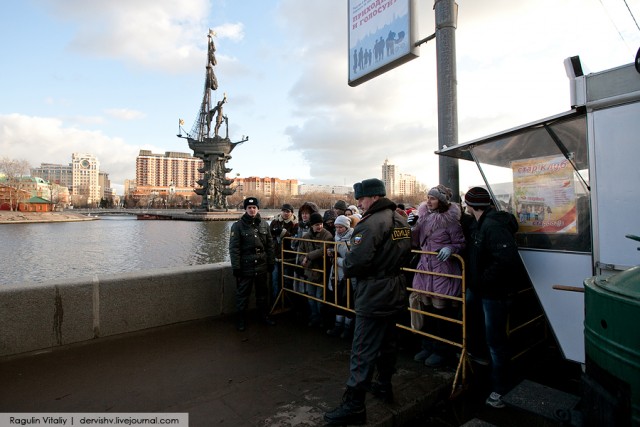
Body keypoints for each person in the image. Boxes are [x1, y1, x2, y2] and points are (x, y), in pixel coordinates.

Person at [324, 178, 411, 426]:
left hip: (374, 292)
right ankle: (384, 386)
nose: (359, 203)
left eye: (360, 199)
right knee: (388, 343)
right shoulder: (400, 219)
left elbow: (355, 262)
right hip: (395, 287)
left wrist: (350, 262)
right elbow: (406, 250)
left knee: (362, 348)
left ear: (372, 197)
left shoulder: (370, 224)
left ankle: (354, 405)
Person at [464, 186, 521, 409]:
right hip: (485, 290)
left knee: (496, 342)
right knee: (488, 336)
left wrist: (481, 281)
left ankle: (501, 388)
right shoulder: (481, 223)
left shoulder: (492, 225)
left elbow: (506, 259)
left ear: (470, 205)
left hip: (494, 293)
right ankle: (486, 366)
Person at [411, 185, 466, 367]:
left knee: (441, 312)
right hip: (426, 268)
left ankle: (442, 350)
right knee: (427, 310)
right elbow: (415, 242)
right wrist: (412, 226)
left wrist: (450, 248)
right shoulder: (423, 218)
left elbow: (460, 243)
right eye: (428, 197)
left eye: (433, 198)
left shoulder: (451, 221)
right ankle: (428, 344)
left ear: (441, 201)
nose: (428, 201)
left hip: (442, 270)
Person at [228, 197, 276, 331]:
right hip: (246, 267)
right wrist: (236, 267)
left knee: (262, 294)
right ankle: (241, 320)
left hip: (261, 266)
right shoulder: (237, 226)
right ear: (245, 209)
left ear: (258, 209)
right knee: (243, 295)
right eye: (249, 208)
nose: (252, 210)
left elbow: (270, 246)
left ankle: (263, 316)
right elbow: (234, 248)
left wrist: (271, 262)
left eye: (254, 207)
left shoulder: (264, 225)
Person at [298, 212, 334, 327]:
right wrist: (303, 259)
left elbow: (323, 250)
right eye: (317, 224)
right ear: (312, 225)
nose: (320, 226)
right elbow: (300, 253)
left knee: (320, 298)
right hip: (310, 272)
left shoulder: (327, 235)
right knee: (310, 297)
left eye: (321, 224)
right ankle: (315, 317)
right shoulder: (305, 237)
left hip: (321, 272)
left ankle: (322, 319)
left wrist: (307, 257)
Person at [326, 215, 355, 339]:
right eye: (337, 227)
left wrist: (336, 260)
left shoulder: (353, 239)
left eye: (341, 227)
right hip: (336, 274)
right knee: (338, 300)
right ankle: (338, 325)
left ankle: (347, 328)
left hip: (347, 276)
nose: (338, 229)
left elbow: (351, 261)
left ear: (347, 227)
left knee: (347, 301)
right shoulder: (336, 237)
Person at [269, 203, 298, 304]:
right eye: (284, 211)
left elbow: (295, 240)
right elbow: (269, 236)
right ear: (281, 211)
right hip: (276, 257)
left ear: (291, 213)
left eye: (288, 211)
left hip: (288, 258)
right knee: (275, 281)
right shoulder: (274, 222)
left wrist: (284, 233)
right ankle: (275, 303)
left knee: (287, 282)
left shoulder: (295, 224)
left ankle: (287, 303)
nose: (286, 213)